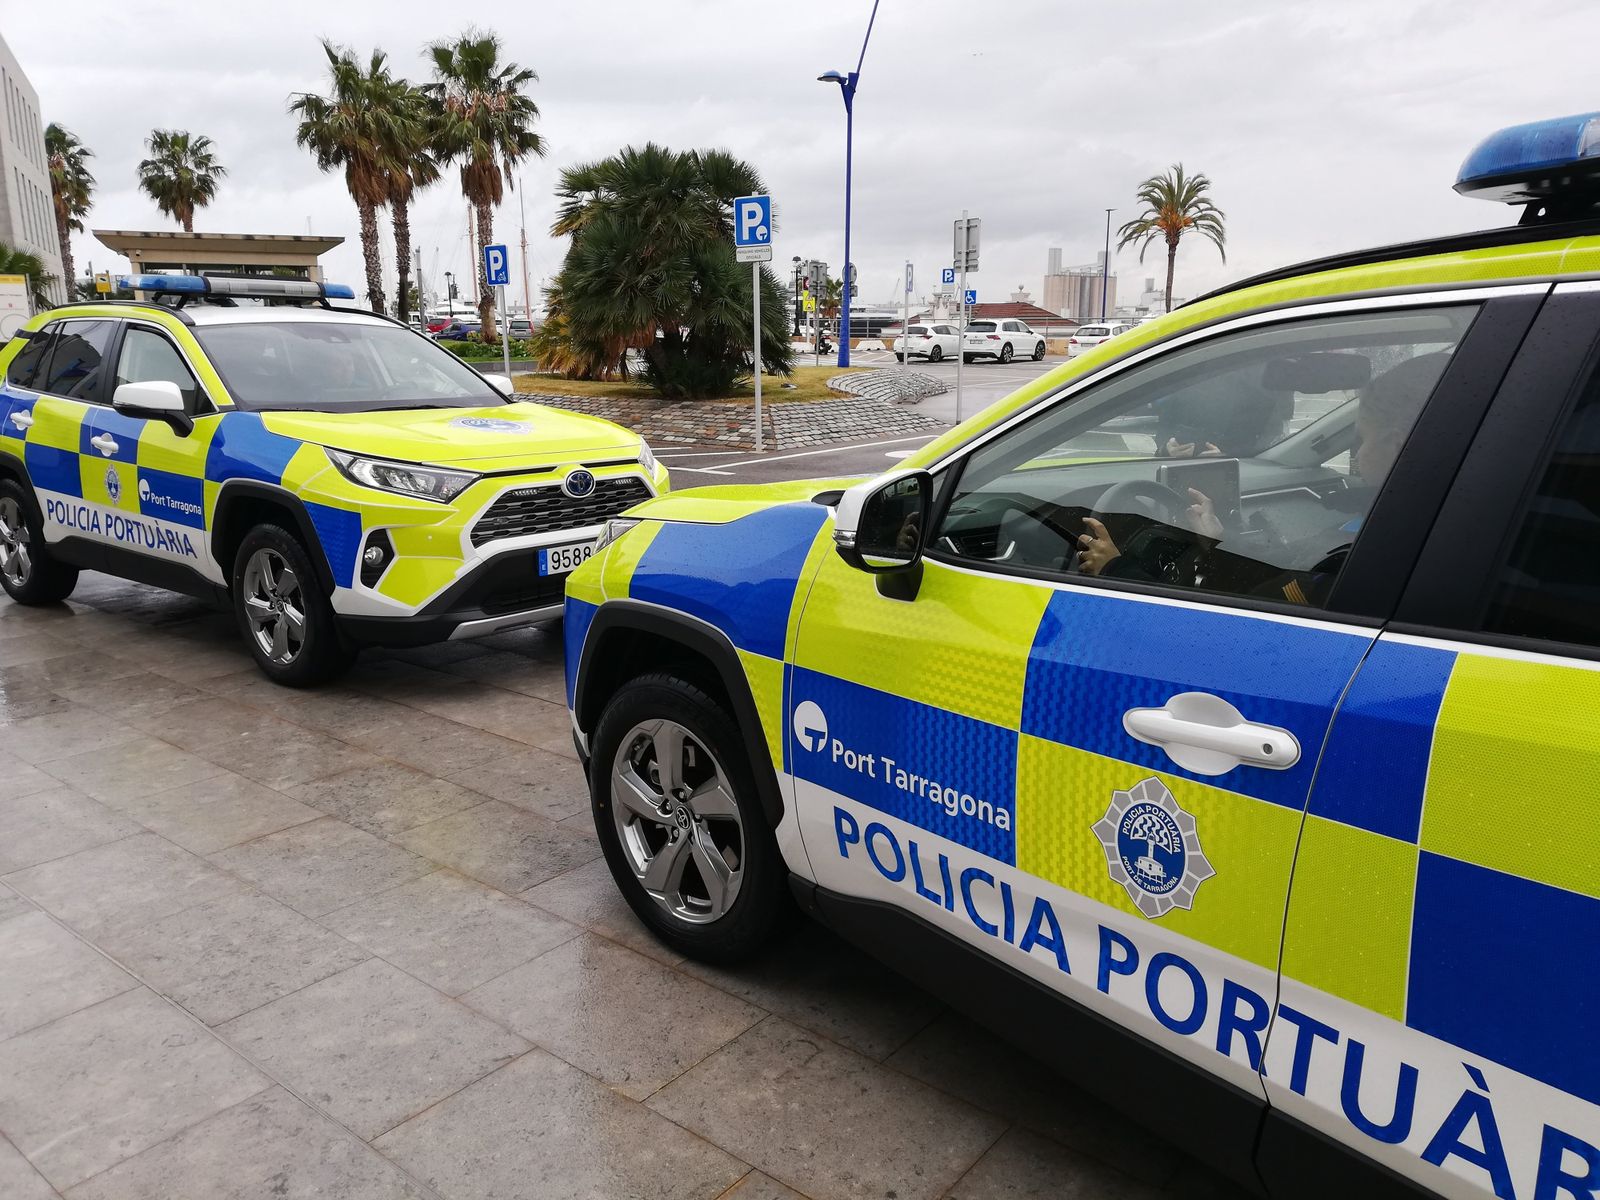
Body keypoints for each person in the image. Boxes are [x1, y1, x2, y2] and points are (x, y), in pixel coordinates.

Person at [1076, 352, 1450, 598]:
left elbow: (1238, 618)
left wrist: (1116, 570)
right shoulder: (1427, 523)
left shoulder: (1364, 554)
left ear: (1397, 444)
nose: (1359, 453)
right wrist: (1219, 540)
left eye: (1361, 440)